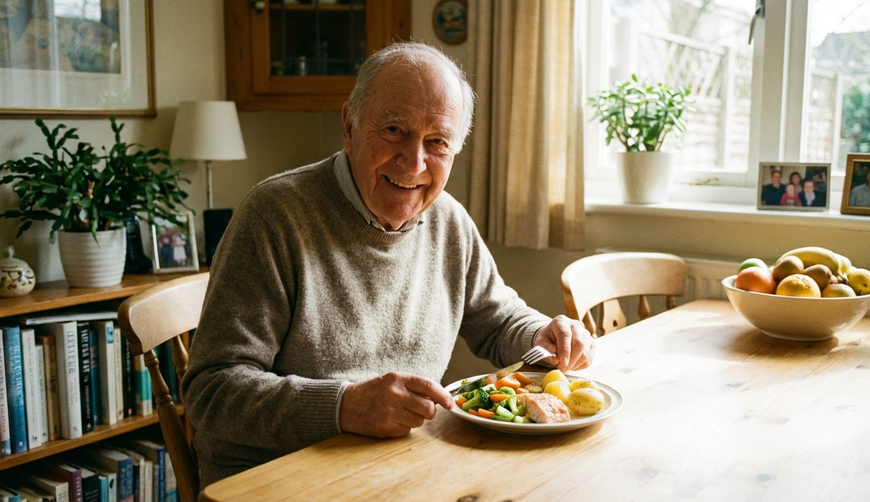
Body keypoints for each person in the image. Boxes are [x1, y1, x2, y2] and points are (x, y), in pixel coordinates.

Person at [182, 42, 596, 489]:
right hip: (275, 480)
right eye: (394, 130)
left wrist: (541, 335)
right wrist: (344, 407)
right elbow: (211, 392)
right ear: (350, 126)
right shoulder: (274, 216)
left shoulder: (448, 219)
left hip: (396, 468)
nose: (413, 163)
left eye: (437, 142)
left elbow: (497, 319)